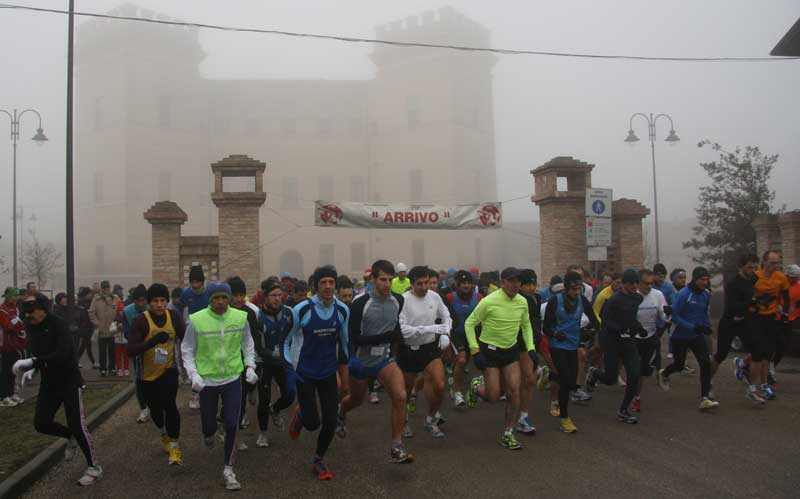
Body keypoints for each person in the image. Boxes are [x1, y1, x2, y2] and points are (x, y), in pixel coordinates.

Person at [13, 294, 101, 485]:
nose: (29, 316)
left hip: (69, 380)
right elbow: (38, 352)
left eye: (32, 312)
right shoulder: (31, 326)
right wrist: (33, 369)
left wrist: (35, 362)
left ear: (43, 309)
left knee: (77, 425)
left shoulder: (58, 324)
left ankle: (94, 467)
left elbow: (63, 354)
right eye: (26, 313)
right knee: (41, 422)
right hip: (49, 383)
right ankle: (68, 436)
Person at [181, 281, 258, 491]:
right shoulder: (197, 320)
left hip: (233, 378)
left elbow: (248, 344)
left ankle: (228, 469)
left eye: (225, 297)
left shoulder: (240, 317)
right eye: (216, 298)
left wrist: (250, 366)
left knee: (233, 424)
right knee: (209, 426)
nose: (221, 302)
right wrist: (193, 374)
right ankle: (208, 433)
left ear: (230, 298)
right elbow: (187, 349)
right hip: (207, 380)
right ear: (209, 299)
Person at [338, 260, 413, 464]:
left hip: (384, 360)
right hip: (361, 361)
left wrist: (402, 344)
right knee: (355, 399)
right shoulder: (360, 303)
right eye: (382, 280)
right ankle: (341, 413)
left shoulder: (398, 300)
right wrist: (352, 358)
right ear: (372, 279)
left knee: (400, 396)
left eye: (390, 280)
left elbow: (394, 326)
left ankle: (396, 446)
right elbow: (353, 337)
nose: (387, 284)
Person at [285, 266, 349, 480]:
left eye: (331, 282)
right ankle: (302, 415)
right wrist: (289, 366)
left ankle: (319, 460)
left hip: (328, 371)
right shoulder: (301, 310)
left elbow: (345, 341)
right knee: (313, 424)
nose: (328, 286)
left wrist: (344, 368)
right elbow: (287, 340)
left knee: (330, 422)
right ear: (316, 286)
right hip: (305, 372)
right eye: (324, 283)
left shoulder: (342, 310)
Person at [465, 267, 536, 449]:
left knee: (514, 390)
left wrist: (531, 348)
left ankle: (508, 433)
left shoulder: (522, 302)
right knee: (494, 396)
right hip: (490, 352)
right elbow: (469, 323)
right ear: (502, 282)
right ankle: (476, 386)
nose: (515, 285)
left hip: (510, 352)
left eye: (518, 281)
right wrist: (475, 351)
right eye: (511, 281)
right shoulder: (489, 301)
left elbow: (526, 326)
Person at [127, 283, 185, 465]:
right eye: (155, 301)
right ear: (148, 303)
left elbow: (187, 339)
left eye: (162, 301)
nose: (159, 305)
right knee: (156, 411)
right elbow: (131, 349)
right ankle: (163, 433)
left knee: (170, 405)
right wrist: (151, 342)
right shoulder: (140, 321)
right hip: (147, 375)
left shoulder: (174, 317)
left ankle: (175, 448)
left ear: (167, 302)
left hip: (169, 370)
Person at [397, 266, 452, 439]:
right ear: (411, 284)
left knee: (440, 385)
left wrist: (445, 333)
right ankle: (404, 420)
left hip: (429, 348)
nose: (424, 287)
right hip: (409, 349)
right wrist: (429, 328)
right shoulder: (403, 300)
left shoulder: (434, 297)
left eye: (426, 283)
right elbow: (403, 329)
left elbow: (446, 316)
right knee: (405, 390)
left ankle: (430, 419)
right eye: (419, 284)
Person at [542, 271, 600, 433]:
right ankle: (565, 419)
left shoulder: (582, 301)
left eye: (579, 289)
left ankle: (550, 374)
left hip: (573, 345)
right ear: (566, 288)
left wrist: (589, 331)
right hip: (557, 345)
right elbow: (546, 328)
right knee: (566, 381)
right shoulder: (555, 302)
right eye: (574, 289)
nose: (577, 292)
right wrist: (555, 334)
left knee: (572, 383)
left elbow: (596, 322)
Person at [587, 269, 645, 423]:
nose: (634, 286)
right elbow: (605, 321)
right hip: (611, 340)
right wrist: (621, 329)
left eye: (636, 283)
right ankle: (594, 373)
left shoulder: (638, 298)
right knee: (610, 378)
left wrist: (639, 328)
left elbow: (631, 318)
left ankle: (624, 410)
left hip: (628, 341)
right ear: (624, 284)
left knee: (634, 373)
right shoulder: (614, 300)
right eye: (630, 283)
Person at [657, 267, 719, 410]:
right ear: (695, 279)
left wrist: (707, 326)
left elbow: (703, 313)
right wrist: (692, 327)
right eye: (702, 279)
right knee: (679, 365)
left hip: (696, 336)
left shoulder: (705, 295)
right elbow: (675, 316)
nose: (705, 282)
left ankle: (705, 398)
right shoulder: (684, 294)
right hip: (680, 335)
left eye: (706, 279)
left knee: (705, 363)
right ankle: (665, 373)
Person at [254, 279, 295, 448]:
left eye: (280, 295)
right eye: (273, 295)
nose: (277, 299)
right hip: (264, 362)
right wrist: (271, 354)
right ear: (265, 297)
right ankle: (263, 433)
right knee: (263, 399)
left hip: (283, 362)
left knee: (290, 395)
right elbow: (257, 344)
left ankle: (276, 409)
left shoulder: (289, 312)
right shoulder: (258, 316)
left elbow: (293, 335)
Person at [746, 251, 790, 400]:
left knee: (767, 353)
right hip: (755, 317)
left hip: (771, 318)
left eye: (777, 263)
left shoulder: (781, 277)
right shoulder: (755, 277)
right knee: (758, 354)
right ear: (764, 262)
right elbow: (746, 296)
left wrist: (783, 310)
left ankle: (764, 386)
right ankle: (751, 388)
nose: (775, 266)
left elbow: (786, 296)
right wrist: (756, 302)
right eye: (772, 263)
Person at [713, 255, 758, 393]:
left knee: (757, 352)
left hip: (744, 322)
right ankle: (707, 381)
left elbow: (755, 298)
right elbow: (733, 307)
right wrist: (751, 303)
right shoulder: (733, 283)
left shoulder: (754, 279)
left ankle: (751, 387)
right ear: (741, 267)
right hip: (729, 322)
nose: (753, 270)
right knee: (721, 354)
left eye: (755, 267)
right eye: (750, 267)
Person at [227, 277, 261, 448]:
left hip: (246, 361)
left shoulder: (250, 312)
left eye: (242, 295)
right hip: (227, 363)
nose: (239, 299)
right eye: (235, 295)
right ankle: (230, 430)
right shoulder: (222, 312)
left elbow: (255, 338)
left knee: (239, 399)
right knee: (234, 400)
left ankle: (235, 434)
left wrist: (255, 360)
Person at [631, 269, 668, 412]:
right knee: (633, 370)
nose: (649, 286)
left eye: (651, 283)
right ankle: (634, 397)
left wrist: (668, 314)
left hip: (650, 337)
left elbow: (663, 314)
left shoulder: (657, 295)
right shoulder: (632, 296)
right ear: (638, 283)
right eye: (646, 283)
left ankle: (636, 395)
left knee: (643, 372)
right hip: (632, 338)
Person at [446, 270, 483, 408]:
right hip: (456, 334)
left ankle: (456, 379)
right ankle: (457, 392)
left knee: (465, 362)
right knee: (461, 360)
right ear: (457, 285)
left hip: (473, 334)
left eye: (468, 283)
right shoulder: (450, 297)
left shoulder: (478, 297)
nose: (466, 286)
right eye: (463, 283)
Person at [515, 269, 541, 435]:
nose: (532, 287)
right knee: (509, 385)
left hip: (528, 345)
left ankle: (523, 417)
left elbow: (535, 321)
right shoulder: (515, 300)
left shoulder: (536, 299)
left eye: (534, 284)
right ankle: (479, 385)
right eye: (528, 284)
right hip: (511, 344)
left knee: (529, 380)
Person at [122, 284, 151, 423]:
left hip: (152, 348)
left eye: (143, 300)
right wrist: (137, 341)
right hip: (137, 348)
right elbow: (127, 331)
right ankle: (143, 407)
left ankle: (155, 404)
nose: (140, 303)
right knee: (139, 378)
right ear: (133, 301)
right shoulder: (127, 312)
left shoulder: (151, 309)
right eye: (137, 301)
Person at [182, 265, 210, 410]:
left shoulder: (209, 294)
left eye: (198, 282)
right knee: (194, 364)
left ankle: (208, 390)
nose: (195, 285)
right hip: (192, 333)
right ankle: (195, 394)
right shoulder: (186, 294)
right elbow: (181, 311)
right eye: (193, 282)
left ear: (202, 282)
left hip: (208, 333)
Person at [1, 287, 27, 406]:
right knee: (5, 371)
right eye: (13, 296)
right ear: (7, 296)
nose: (16, 298)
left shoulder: (15, 309)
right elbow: (7, 327)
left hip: (15, 344)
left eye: (16, 296)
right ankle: (3, 396)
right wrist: (17, 323)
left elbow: (20, 326)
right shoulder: (3, 310)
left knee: (13, 371)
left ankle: (11, 393)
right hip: (5, 345)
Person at [88, 281, 120, 376]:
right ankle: (103, 369)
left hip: (112, 328)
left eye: (107, 287)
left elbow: (119, 310)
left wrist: (118, 321)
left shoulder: (115, 298)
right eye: (104, 288)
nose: (106, 289)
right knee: (102, 350)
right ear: (102, 288)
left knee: (112, 350)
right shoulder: (96, 299)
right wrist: (96, 323)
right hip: (101, 328)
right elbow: (91, 312)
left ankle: (112, 368)